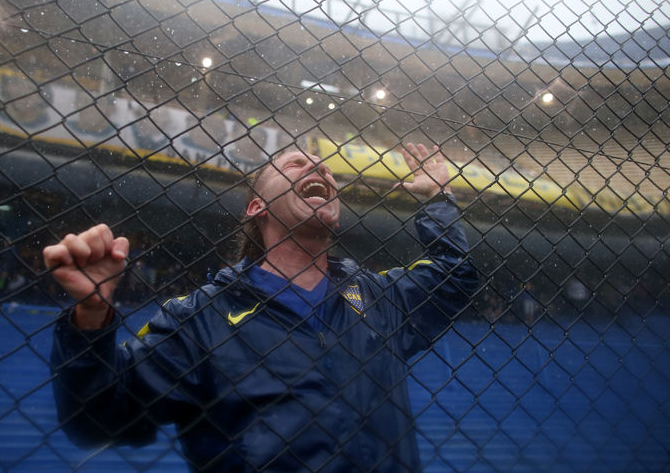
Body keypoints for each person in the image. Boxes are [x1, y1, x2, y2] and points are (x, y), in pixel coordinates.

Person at [46, 143, 478, 472]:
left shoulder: (377, 296)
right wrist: (91, 316)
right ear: (258, 207)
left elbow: (454, 275)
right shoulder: (201, 317)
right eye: (294, 164)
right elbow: (97, 417)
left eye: (325, 167)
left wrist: (438, 198)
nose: (318, 167)